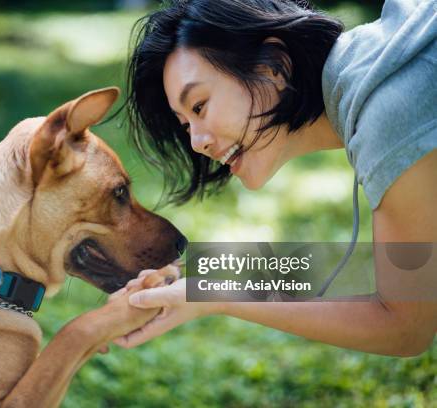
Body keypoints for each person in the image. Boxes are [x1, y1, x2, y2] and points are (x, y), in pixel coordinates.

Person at [108, 0, 437, 356]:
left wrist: (216, 294)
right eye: (186, 124)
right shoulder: (374, 82)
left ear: (272, 66)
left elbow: (404, 326)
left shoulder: (385, 113)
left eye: (200, 106)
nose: (197, 142)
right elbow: (396, 269)